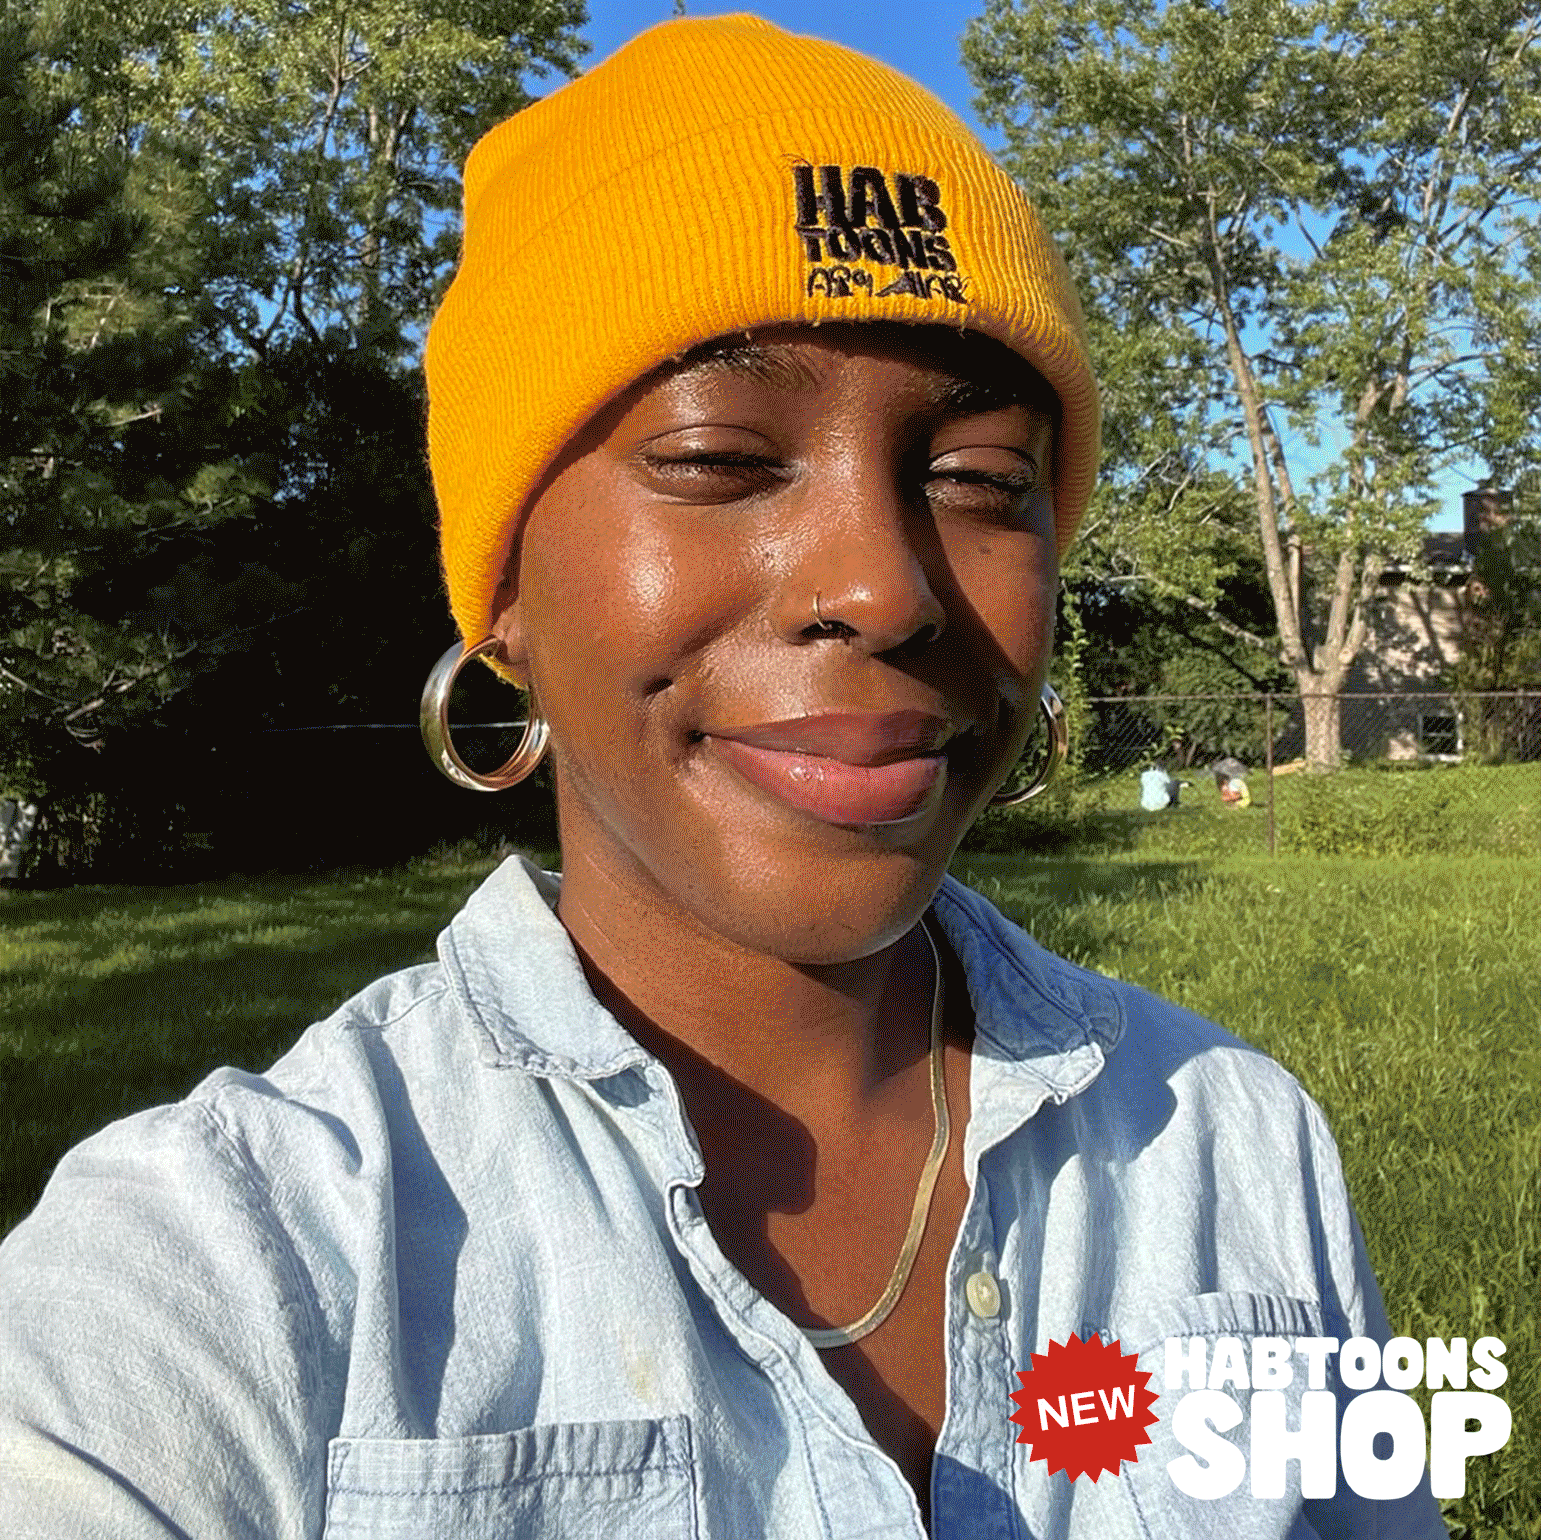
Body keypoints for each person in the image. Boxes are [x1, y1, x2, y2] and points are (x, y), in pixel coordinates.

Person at [0, 16, 1446, 1539]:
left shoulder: (1232, 1146)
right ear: (503, 589)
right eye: (716, 460)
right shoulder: (221, 1272)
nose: (884, 590)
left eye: (979, 482)